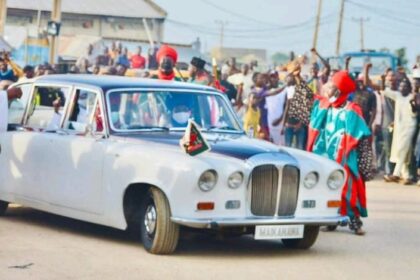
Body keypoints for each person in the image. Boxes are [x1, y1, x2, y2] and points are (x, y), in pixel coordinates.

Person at [307, 70, 372, 235]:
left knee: (348, 190)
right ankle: (332, 220)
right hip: (325, 156)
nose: (327, 90)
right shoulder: (324, 105)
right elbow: (306, 102)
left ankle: (355, 221)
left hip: (344, 157)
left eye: (331, 87)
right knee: (326, 188)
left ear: (339, 91)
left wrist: (365, 164)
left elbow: (362, 136)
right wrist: (296, 78)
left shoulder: (352, 110)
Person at [383, 77, 417, 184]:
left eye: (405, 86)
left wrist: (413, 103)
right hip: (399, 128)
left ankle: (396, 174)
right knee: (401, 151)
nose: (403, 88)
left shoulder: (412, 97)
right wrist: (384, 79)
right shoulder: (398, 96)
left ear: (409, 88)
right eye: (401, 86)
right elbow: (385, 91)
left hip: (410, 127)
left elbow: (414, 111)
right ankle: (404, 175)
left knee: (403, 148)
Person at [281, 63, 314, 150]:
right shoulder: (288, 90)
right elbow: (286, 108)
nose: (288, 79)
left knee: (299, 149)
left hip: (300, 125)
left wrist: (300, 124)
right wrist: (284, 124)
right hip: (289, 124)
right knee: (287, 148)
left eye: (291, 77)